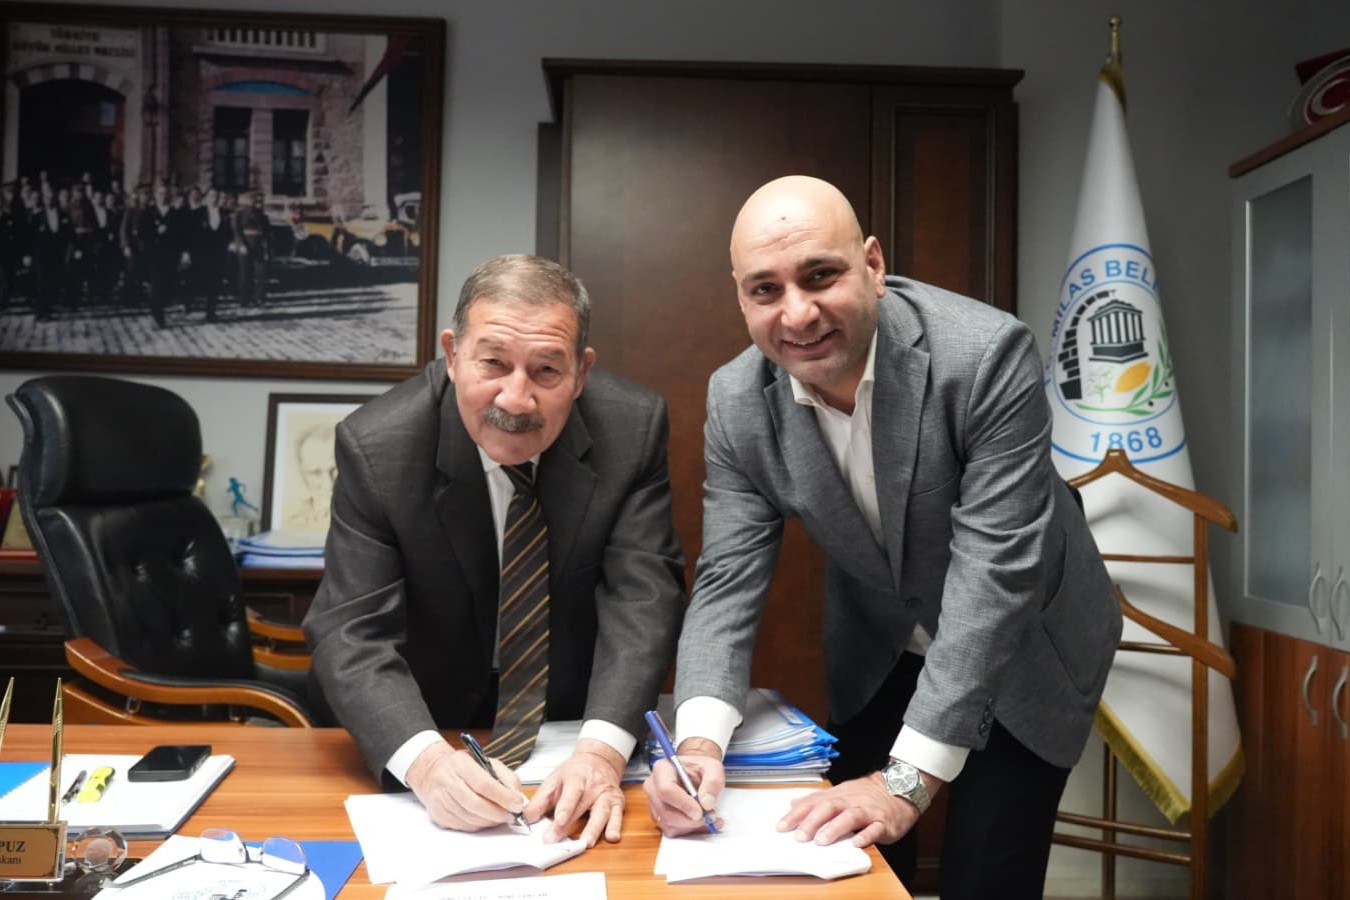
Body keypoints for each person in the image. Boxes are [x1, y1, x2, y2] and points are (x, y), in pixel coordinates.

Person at [643, 176, 1121, 899]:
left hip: (1024, 641)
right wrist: (699, 744)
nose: (797, 314)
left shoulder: (985, 355)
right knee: (848, 860)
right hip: (880, 642)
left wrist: (907, 782)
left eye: (820, 275)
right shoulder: (737, 401)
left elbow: (994, 579)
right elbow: (726, 581)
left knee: (987, 870)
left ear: (872, 264)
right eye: (765, 289)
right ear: (741, 297)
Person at [303, 254, 686, 848]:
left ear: (581, 373)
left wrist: (602, 752)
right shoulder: (378, 447)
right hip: (430, 717)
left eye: (546, 370)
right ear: (453, 354)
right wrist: (426, 763)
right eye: (493, 363)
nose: (517, 398)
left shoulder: (632, 430)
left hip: (571, 724)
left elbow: (644, 600)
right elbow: (350, 631)